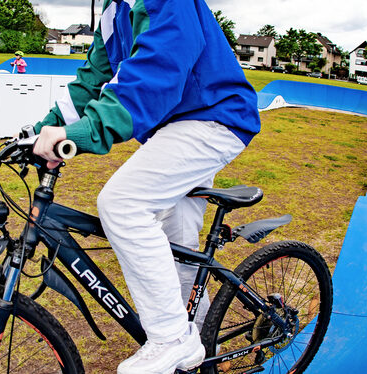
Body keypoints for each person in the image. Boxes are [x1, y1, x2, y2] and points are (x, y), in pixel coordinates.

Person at [31, 1, 261, 372]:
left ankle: (171, 338)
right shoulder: (112, 9)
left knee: (123, 203)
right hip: (174, 128)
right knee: (177, 250)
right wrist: (39, 130)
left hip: (213, 119)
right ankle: (199, 346)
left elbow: (155, 73)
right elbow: (92, 82)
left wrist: (81, 134)